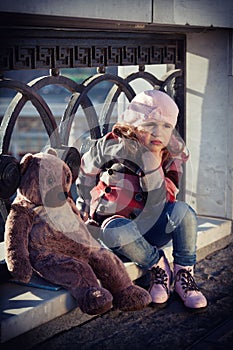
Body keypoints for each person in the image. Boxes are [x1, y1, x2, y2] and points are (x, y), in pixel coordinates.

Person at [76, 90, 207, 309]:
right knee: (115, 230)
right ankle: (157, 265)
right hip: (119, 229)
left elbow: (166, 197)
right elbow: (86, 171)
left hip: (153, 226)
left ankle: (185, 272)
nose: (159, 133)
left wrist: (152, 164)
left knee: (184, 212)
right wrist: (86, 206)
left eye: (166, 127)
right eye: (151, 125)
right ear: (135, 125)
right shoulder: (112, 145)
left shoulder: (170, 155)